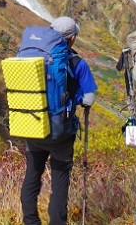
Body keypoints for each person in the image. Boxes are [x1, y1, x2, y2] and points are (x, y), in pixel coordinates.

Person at [20, 16, 98, 225]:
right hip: (59, 131)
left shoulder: (33, 57)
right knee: (60, 180)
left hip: (32, 124)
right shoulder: (76, 62)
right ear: (72, 38)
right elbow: (89, 98)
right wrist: (78, 98)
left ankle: (30, 221)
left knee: (32, 176)